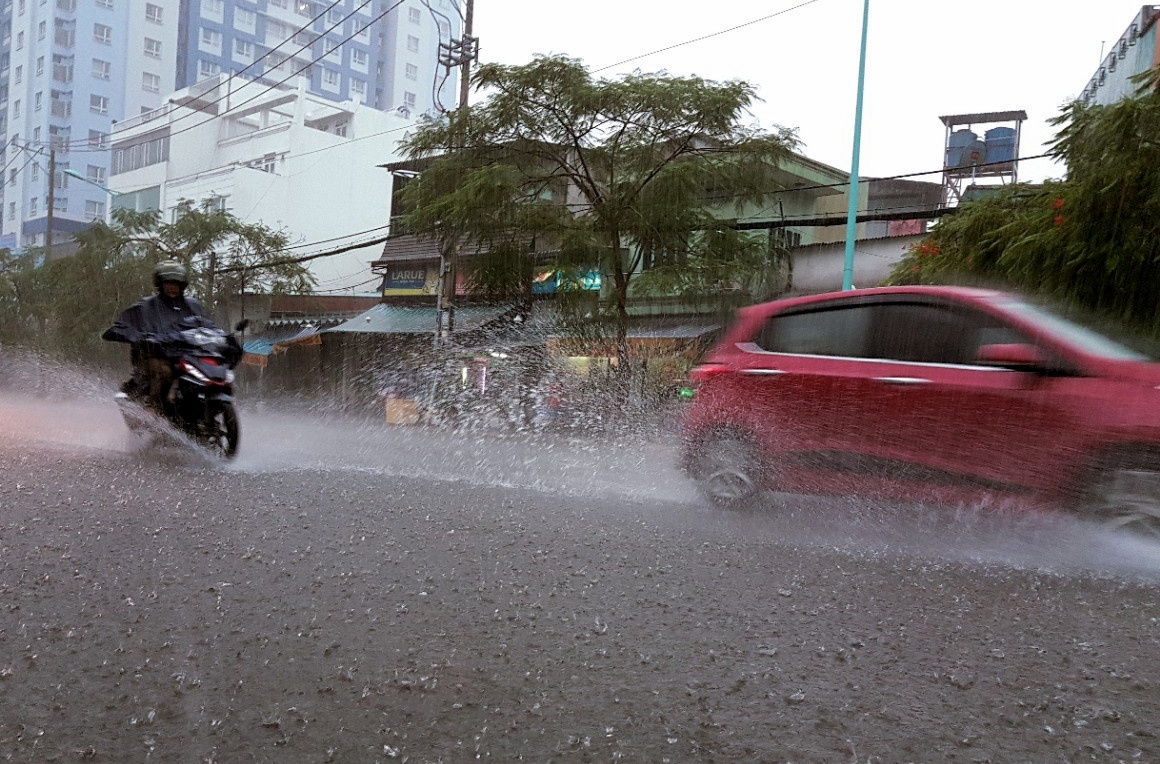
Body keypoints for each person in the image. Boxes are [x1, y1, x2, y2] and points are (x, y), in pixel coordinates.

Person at [102, 260, 208, 410]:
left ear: (182, 285)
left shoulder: (193, 306)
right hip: (155, 356)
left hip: (190, 356)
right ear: (160, 284)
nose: (172, 287)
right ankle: (154, 411)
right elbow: (118, 328)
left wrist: (224, 338)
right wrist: (140, 337)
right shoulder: (145, 307)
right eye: (168, 283)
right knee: (164, 372)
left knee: (213, 372)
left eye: (176, 283)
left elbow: (208, 326)